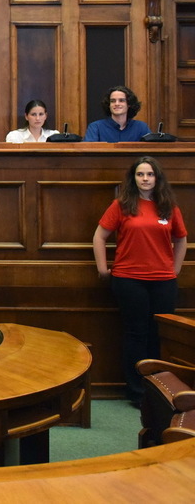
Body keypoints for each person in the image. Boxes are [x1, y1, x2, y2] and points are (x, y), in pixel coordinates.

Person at [93, 156, 186, 406]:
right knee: (136, 334)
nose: (145, 179)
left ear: (157, 178)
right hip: (129, 280)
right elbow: (99, 236)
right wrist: (102, 268)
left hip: (163, 282)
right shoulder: (122, 205)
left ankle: (158, 391)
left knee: (159, 335)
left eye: (150, 174)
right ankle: (136, 391)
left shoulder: (169, 207)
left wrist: (174, 270)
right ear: (133, 178)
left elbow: (181, 239)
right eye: (140, 174)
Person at [84, 86, 151, 142]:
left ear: (129, 104)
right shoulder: (96, 127)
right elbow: (88, 151)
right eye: (113, 101)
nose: (117, 104)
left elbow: (151, 150)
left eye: (121, 100)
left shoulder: (141, 127)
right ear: (109, 105)